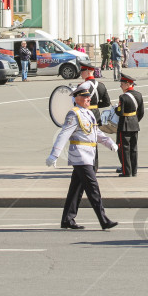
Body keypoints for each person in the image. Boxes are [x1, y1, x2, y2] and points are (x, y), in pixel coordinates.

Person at [46, 84, 119, 230]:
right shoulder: (74, 114)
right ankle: (103, 220)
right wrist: (54, 154)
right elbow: (64, 134)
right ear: (77, 98)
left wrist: (109, 142)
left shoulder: (88, 113)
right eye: (85, 97)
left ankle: (67, 219)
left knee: (76, 189)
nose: (88, 99)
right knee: (93, 188)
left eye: (88, 96)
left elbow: (96, 132)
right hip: (80, 156)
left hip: (89, 155)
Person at [79, 63, 110, 172]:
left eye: (82, 71)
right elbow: (107, 102)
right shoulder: (101, 85)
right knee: (94, 141)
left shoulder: (82, 86)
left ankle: (87, 165)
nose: (81, 73)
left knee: (85, 141)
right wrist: (95, 106)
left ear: (88, 71)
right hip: (96, 115)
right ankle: (94, 166)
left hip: (85, 115)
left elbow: (77, 102)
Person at [115, 73, 144, 177]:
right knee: (134, 148)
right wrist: (135, 121)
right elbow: (141, 113)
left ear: (128, 84)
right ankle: (134, 170)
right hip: (134, 124)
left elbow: (120, 112)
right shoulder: (139, 95)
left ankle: (126, 171)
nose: (121, 86)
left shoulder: (123, 97)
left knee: (124, 149)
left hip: (124, 125)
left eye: (122, 84)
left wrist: (115, 108)